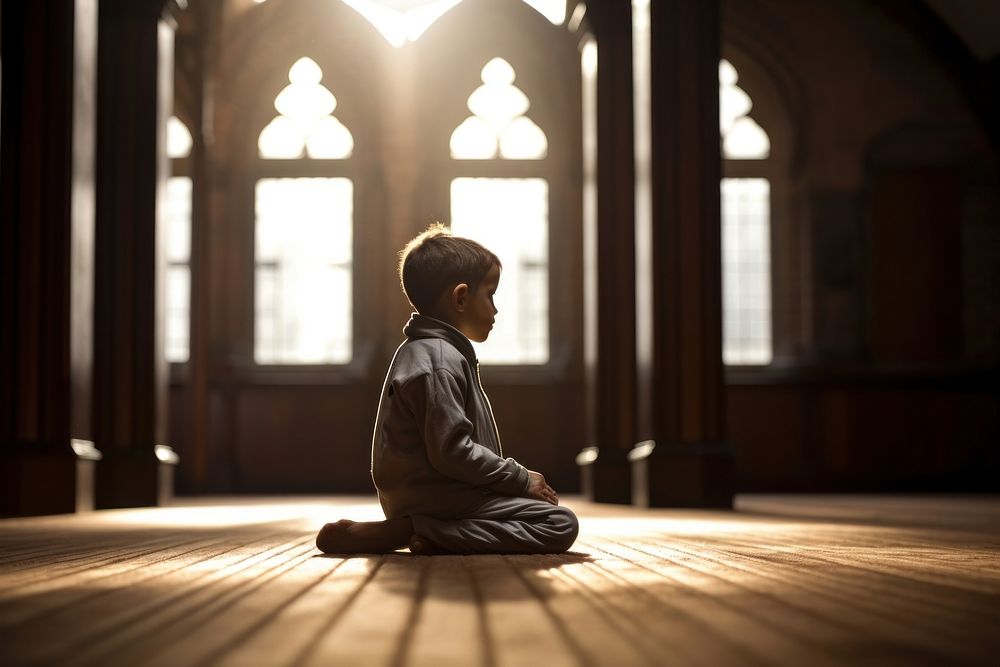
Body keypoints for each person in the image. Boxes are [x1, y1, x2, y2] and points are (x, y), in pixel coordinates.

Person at [316, 223, 579, 555]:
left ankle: (430, 534)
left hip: (434, 493)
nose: (495, 309)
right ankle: (411, 530)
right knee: (559, 523)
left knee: (538, 514)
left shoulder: (433, 352)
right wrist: (521, 478)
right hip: (440, 497)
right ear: (460, 297)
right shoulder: (440, 359)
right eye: (490, 295)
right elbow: (453, 452)